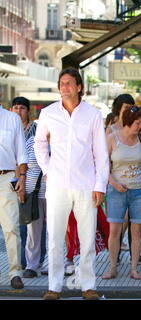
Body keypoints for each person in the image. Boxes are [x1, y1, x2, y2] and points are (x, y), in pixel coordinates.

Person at [34, 67, 110, 300]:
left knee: (87, 238)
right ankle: (54, 287)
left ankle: (87, 285)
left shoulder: (93, 114)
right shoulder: (48, 113)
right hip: (57, 184)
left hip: (86, 184)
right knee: (55, 237)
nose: (65, 86)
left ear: (79, 87)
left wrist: (100, 185)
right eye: (62, 83)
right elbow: (39, 144)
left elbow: (101, 152)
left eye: (69, 83)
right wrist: (46, 169)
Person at [102, 106, 141, 281]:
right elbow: (103, 166)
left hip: (140, 190)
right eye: (138, 123)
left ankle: (134, 268)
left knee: (137, 230)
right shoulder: (112, 138)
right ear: (129, 123)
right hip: (116, 190)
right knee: (114, 231)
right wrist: (114, 183)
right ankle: (112, 267)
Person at [11, 97, 47, 279]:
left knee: (57, 229)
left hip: (56, 190)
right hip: (33, 190)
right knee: (32, 229)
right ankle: (32, 265)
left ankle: (60, 262)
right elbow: (21, 163)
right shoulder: (31, 140)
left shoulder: (60, 142)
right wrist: (21, 185)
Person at [0, 85, 28, 289]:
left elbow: (21, 152)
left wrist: (23, 177)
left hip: (6, 177)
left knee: (11, 227)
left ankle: (15, 272)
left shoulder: (12, 119)